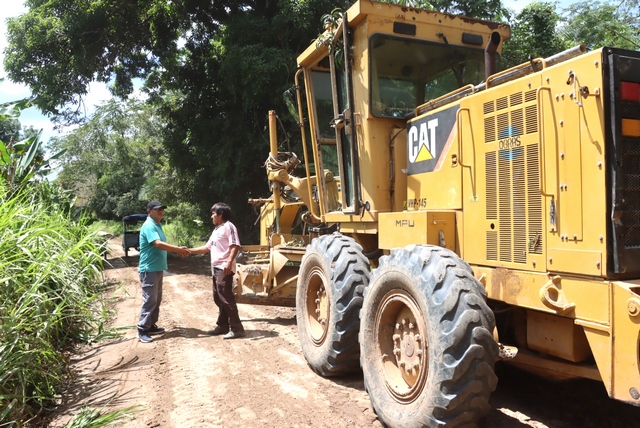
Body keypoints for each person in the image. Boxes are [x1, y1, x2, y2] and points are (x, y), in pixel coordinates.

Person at [190, 202, 245, 339]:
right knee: (218, 298)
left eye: (213, 214)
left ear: (220, 214)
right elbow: (206, 248)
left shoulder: (228, 226)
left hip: (224, 268)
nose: (212, 217)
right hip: (216, 268)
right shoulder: (216, 230)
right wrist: (188, 251)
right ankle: (223, 325)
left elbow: (235, 245)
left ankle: (237, 329)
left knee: (226, 297)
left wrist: (229, 262)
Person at [137, 200, 189, 343]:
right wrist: (178, 250)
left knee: (156, 299)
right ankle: (142, 329)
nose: (160, 211)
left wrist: (178, 249)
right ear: (149, 211)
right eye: (157, 209)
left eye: (162, 209)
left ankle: (150, 325)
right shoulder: (149, 225)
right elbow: (158, 244)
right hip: (149, 269)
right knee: (150, 300)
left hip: (157, 269)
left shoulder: (156, 225)